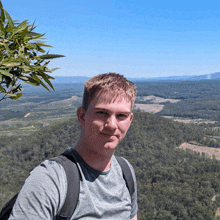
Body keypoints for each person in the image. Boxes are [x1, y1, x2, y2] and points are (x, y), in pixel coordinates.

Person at [8, 73, 138, 220]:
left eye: (121, 116)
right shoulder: (50, 180)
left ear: (130, 120)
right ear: (82, 116)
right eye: (101, 113)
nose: (112, 125)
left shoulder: (125, 172)